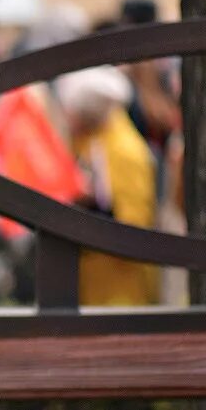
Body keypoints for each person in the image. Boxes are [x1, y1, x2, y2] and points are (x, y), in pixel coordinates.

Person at [55, 65, 157, 306]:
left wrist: (96, 206)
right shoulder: (88, 140)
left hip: (119, 288)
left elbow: (134, 226)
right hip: (91, 280)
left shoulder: (124, 151)